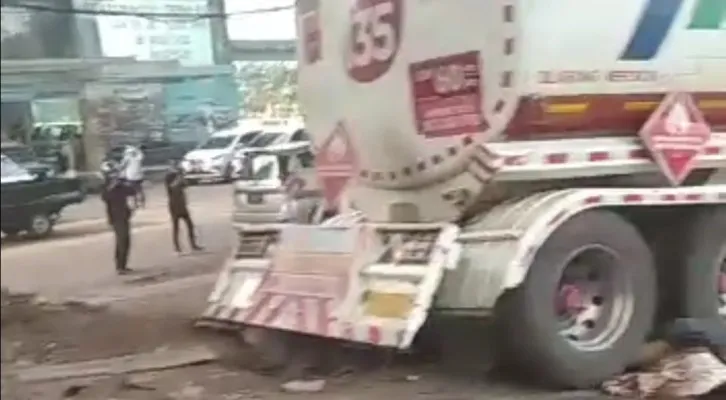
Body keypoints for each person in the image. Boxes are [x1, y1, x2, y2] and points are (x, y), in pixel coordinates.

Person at [100, 162, 136, 275]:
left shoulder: (120, 185)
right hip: (116, 217)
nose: (114, 175)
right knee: (121, 240)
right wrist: (113, 185)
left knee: (126, 241)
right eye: (112, 173)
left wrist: (125, 182)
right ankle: (119, 266)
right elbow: (105, 197)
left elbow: (132, 191)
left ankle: (123, 265)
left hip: (124, 215)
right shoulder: (107, 186)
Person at [165, 159, 203, 253]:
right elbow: (172, 187)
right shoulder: (168, 176)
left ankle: (193, 244)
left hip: (182, 203)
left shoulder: (179, 176)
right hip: (174, 203)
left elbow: (186, 185)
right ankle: (177, 247)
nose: (175, 167)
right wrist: (179, 177)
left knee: (190, 225)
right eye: (174, 165)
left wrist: (183, 177)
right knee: (176, 226)